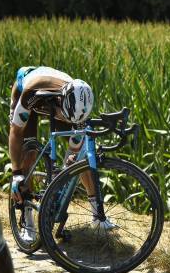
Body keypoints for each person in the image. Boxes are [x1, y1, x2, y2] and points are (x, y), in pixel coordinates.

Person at [8, 66, 113, 241]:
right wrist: (16, 173)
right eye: (65, 117)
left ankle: (97, 215)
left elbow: (73, 152)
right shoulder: (31, 93)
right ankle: (27, 221)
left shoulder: (80, 106)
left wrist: (63, 175)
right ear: (61, 101)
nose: (67, 122)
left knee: (82, 157)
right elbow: (16, 131)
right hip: (29, 91)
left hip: (63, 106)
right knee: (29, 155)